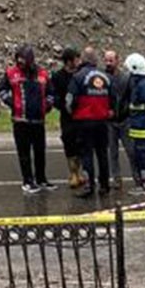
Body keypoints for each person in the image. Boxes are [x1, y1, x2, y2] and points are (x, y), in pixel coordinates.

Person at [0, 44, 54, 193]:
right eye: (19, 60)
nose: (20, 63)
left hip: (38, 120)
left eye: (23, 60)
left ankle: (41, 179)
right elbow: (1, 90)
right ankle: (27, 181)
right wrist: (12, 103)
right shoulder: (11, 73)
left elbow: (51, 93)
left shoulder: (42, 74)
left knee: (40, 152)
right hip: (20, 120)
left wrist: (47, 105)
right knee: (24, 153)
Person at [66, 46, 115, 198]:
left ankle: (89, 186)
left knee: (87, 155)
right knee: (102, 154)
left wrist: (72, 113)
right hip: (102, 121)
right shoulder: (106, 77)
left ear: (83, 60)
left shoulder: (78, 76)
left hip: (84, 121)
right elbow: (114, 99)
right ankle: (105, 185)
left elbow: (69, 100)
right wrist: (109, 112)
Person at [123, 53, 145, 195]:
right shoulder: (138, 83)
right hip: (138, 126)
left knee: (143, 157)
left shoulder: (143, 85)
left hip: (143, 127)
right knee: (140, 156)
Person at [50, 46, 83, 189]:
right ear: (69, 61)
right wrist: (63, 106)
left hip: (81, 116)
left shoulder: (81, 74)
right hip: (67, 117)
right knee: (69, 144)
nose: (79, 61)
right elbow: (54, 96)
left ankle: (80, 171)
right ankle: (73, 173)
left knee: (81, 144)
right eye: (76, 59)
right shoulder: (58, 77)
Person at [103, 49, 131, 190]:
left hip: (125, 120)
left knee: (131, 151)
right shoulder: (101, 78)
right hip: (109, 122)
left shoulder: (126, 78)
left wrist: (127, 112)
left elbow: (130, 98)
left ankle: (138, 178)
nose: (108, 63)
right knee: (112, 152)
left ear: (117, 61)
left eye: (111, 60)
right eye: (106, 60)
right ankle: (116, 179)